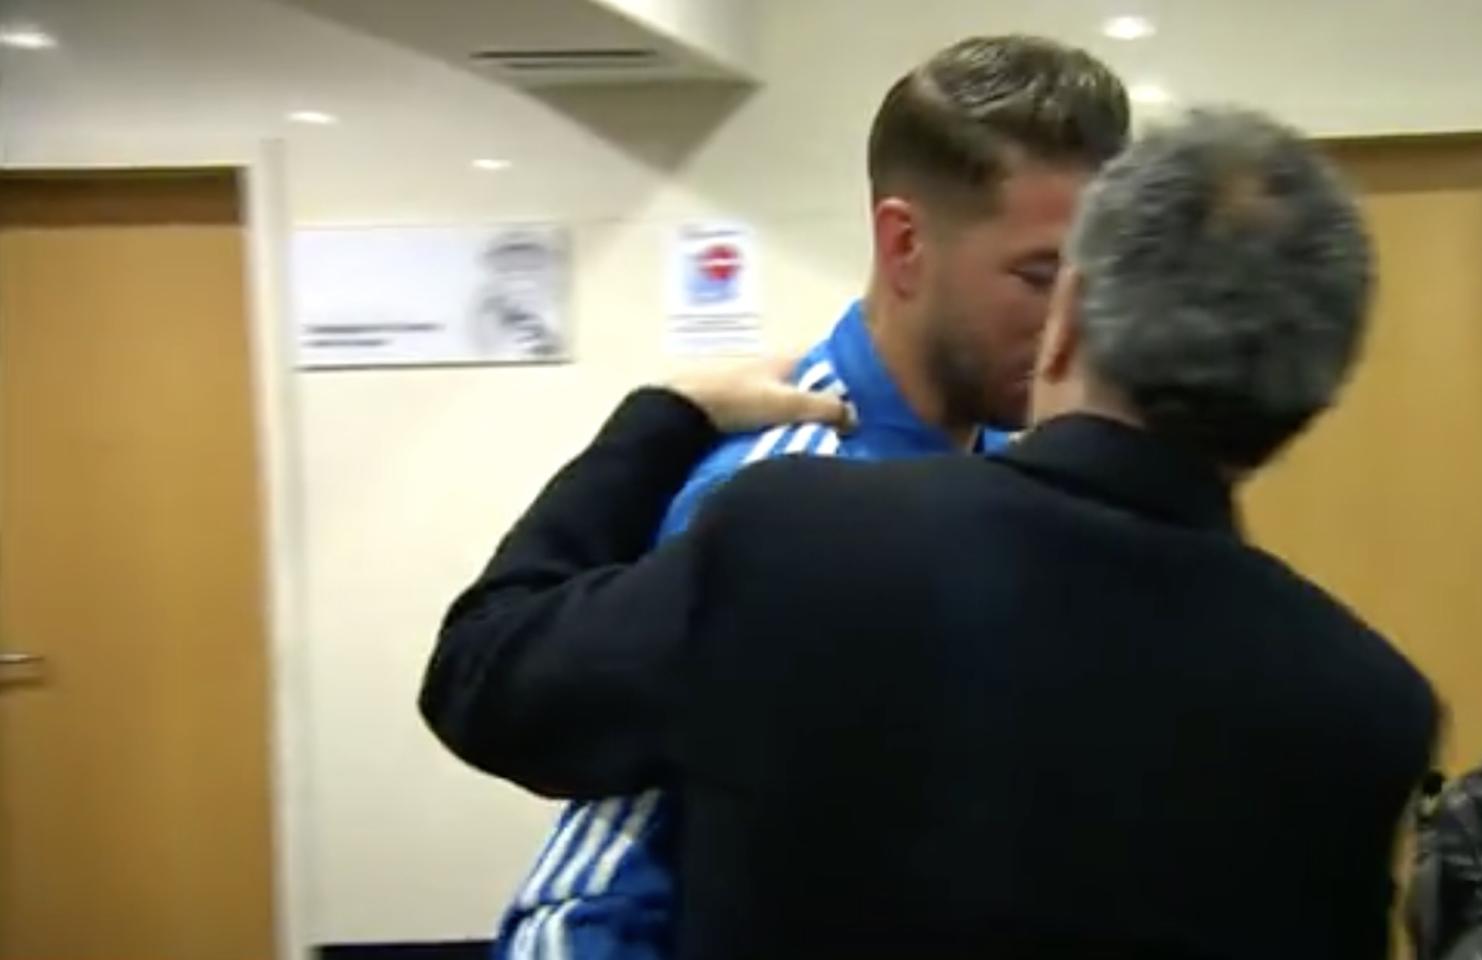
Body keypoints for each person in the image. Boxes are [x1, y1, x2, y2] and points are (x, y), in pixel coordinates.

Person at [423, 107, 1439, 959]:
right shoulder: (1362, 714)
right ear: (1310, 400)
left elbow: (484, 681)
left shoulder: (800, 540)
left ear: (1072, 310)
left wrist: (662, 417)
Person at [428, 35, 1132, 960]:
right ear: (905, 243)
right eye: (1038, 278)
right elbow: (592, 879)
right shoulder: (779, 496)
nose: (1068, 326)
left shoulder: (1017, 468)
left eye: (1090, 282)